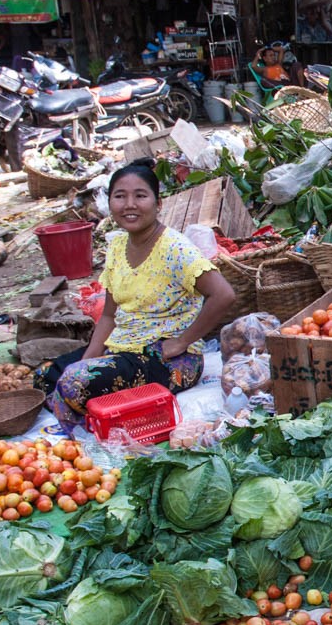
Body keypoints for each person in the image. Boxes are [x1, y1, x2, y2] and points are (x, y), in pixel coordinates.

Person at [33, 162, 235, 431]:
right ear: (110, 203)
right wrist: (90, 359)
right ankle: (105, 413)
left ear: (158, 203)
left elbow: (223, 295)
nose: (130, 204)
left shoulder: (175, 248)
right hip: (124, 347)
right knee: (45, 376)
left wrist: (182, 341)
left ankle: (92, 429)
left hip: (167, 358)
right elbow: (108, 315)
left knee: (73, 383)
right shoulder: (117, 246)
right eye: (120, 196)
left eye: (140, 195)